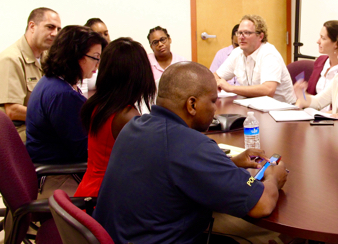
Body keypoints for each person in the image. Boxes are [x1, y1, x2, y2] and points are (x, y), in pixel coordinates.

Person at [93, 62, 288, 243]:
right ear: (192, 104)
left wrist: (229, 163)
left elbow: (170, 167)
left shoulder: (134, 126)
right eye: (213, 101)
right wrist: (273, 178)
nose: (215, 109)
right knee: (268, 237)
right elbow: (262, 204)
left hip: (121, 236)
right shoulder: (191, 146)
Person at [26, 25, 107, 197]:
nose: (98, 65)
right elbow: (84, 151)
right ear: (76, 56)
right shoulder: (62, 95)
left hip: (49, 166)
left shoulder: (52, 81)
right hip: (57, 175)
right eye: (95, 57)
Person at [74, 38, 156, 198]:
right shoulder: (126, 116)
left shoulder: (99, 104)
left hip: (90, 192)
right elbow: (150, 161)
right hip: (106, 201)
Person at [0, 7, 61, 142]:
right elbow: (13, 111)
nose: (55, 34)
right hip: (21, 133)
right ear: (32, 26)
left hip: (39, 126)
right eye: (50, 27)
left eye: (58, 29)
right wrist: (53, 117)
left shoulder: (46, 57)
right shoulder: (10, 59)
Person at [214, 15, 296, 103]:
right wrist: (217, 82)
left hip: (280, 110)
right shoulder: (237, 52)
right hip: (252, 106)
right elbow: (216, 76)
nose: (241, 37)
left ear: (260, 36)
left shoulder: (269, 53)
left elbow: (268, 90)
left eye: (247, 33)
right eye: (239, 33)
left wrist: (231, 88)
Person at [306, 20, 338, 96]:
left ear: (336, 43)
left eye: (323, 38)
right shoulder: (321, 60)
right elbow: (310, 94)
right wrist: (301, 93)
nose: (318, 41)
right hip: (313, 107)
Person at [80, 18, 112, 94]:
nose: (104, 38)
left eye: (106, 34)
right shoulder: (85, 59)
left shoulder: (114, 56)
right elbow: (82, 92)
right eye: (99, 35)